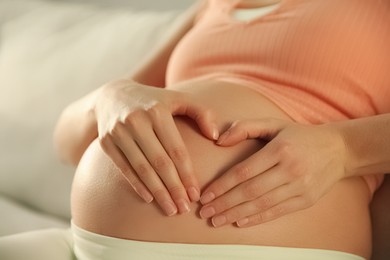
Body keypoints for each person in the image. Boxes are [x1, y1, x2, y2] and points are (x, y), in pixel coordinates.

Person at [53, 0, 390, 259]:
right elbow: (67, 143)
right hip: (96, 246)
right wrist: (109, 97)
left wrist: (344, 149)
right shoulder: (213, 7)